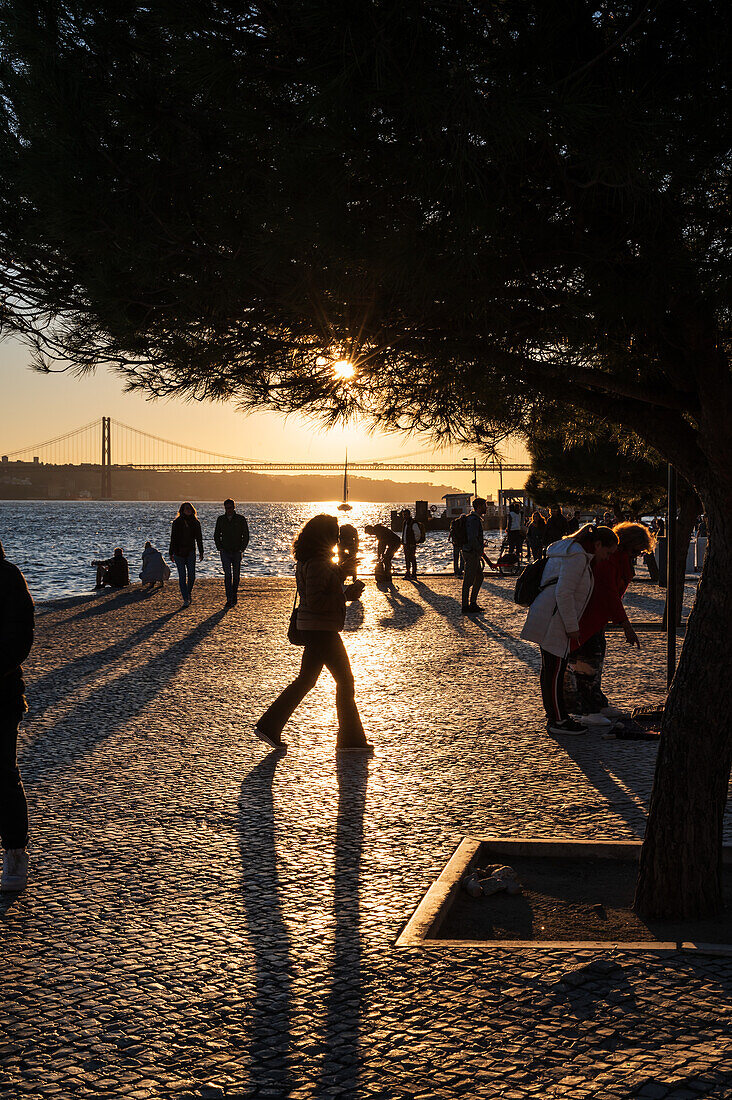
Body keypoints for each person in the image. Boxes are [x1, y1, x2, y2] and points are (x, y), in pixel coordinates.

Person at [254, 515, 371, 753]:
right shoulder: (318, 562)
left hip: (314, 627)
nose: (338, 540)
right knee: (345, 681)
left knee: (306, 680)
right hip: (321, 628)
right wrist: (346, 595)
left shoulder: (311, 560)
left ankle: (269, 725)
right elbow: (318, 600)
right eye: (335, 536)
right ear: (324, 536)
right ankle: (350, 739)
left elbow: (321, 588)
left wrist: (341, 574)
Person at [520, 524, 619, 736]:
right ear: (598, 544)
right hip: (554, 617)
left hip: (549, 613)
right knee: (555, 670)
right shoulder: (577, 557)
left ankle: (557, 716)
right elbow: (564, 593)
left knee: (552, 669)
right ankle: (558, 720)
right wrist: (573, 627)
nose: (607, 558)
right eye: (607, 552)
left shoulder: (570, 552)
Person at [565, 522, 654, 724]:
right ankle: (586, 709)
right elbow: (608, 594)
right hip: (589, 615)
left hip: (597, 617)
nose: (637, 555)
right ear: (627, 545)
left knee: (595, 657)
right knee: (587, 661)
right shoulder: (609, 559)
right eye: (636, 551)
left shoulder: (617, 558)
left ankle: (597, 702)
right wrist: (626, 626)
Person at [0, 541, 34, 892]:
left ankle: (15, 853)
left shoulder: (8, 578)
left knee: (3, 774)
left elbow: (20, 638)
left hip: (2, 692)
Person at [213, 498, 250, 607]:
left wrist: (242, 549)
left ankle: (234, 594)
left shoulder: (240, 519)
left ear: (234, 507)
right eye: (226, 508)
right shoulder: (221, 519)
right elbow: (216, 535)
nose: (228, 510)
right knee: (228, 575)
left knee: (236, 576)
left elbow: (246, 535)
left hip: (237, 551)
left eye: (230, 508)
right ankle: (229, 598)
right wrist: (219, 547)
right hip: (225, 551)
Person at [169, 502, 204, 606]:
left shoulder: (195, 523)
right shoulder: (177, 522)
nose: (188, 510)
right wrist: (171, 552)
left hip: (190, 551)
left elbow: (199, 538)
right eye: (186, 508)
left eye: (189, 508)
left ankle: (188, 593)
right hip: (178, 552)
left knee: (192, 576)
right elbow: (173, 538)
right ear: (182, 510)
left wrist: (201, 552)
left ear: (192, 510)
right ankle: (185, 598)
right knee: (182, 576)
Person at [461, 497, 487, 613]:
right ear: (479, 506)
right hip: (471, 553)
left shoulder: (474, 519)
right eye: (485, 505)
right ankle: (466, 606)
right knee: (468, 580)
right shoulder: (474, 520)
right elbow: (472, 538)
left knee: (479, 577)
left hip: (471, 552)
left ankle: (472, 603)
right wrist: (479, 549)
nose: (486, 507)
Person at [401, 509, 418, 578]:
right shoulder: (405, 522)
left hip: (411, 544)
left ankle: (414, 574)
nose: (404, 516)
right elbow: (404, 533)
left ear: (409, 515)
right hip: (405, 543)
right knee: (407, 559)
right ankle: (408, 572)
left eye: (405, 515)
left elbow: (417, 533)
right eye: (403, 515)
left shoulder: (413, 523)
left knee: (412, 558)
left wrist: (414, 542)